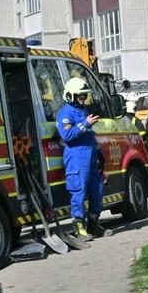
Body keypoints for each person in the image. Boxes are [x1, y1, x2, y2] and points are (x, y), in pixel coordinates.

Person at [57, 77, 103, 240]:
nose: (83, 99)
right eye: (81, 96)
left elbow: (89, 134)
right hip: (76, 157)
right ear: (71, 96)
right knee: (79, 191)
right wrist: (86, 123)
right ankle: (79, 227)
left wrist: (99, 154)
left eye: (84, 96)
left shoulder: (82, 110)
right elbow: (67, 135)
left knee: (96, 189)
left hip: (89, 156)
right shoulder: (66, 113)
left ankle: (93, 224)